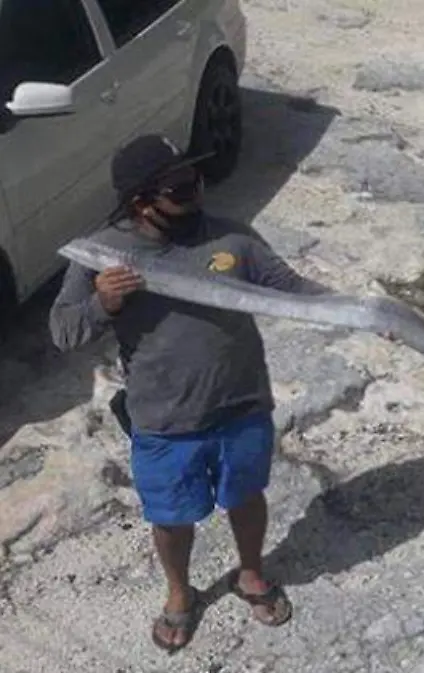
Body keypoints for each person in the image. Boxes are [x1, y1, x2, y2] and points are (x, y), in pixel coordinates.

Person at [49, 134, 332, 652]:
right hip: (165, 422)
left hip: (242, 404)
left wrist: (362, 313)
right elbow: (64, 332)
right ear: (141, 203)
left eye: (195, 179)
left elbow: (291, 288)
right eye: (179, 188)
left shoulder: (232, 238)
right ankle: (180, 593)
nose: (196, 192)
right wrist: (102, 304)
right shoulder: (100, 254)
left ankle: (250, 572)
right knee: (172, 518)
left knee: (246, 496)